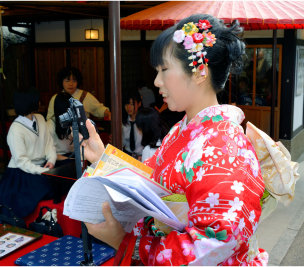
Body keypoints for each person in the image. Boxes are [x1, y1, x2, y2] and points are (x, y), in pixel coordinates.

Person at [80, 14, 268, 265]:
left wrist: (129, 244)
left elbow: (213, 244)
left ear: (200, 72)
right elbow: (148, 177)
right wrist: (104, 159)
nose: (157, 81)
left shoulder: (224, 148)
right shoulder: (182, 130)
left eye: (164, 70)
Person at [0, 89, 57, 219]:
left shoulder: (40, 118)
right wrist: (42, 171)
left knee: (59, 184)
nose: (40, 103)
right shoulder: (15, 129)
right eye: (38, 100)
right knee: (44, 188)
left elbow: (49, 143)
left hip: (42, 166)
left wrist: (51, 160)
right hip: (20, 171)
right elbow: (21, 161)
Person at [47, 67, 111, 121]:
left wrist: (107, 113)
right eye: (67, 81)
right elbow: (50, 119)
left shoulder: (85, 95)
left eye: (74, 81)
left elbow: (98, 109)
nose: (71, 84)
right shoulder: (55, 98)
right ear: (61, 82)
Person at [47, 92, 74, 161]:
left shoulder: (73, 121)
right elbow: (48, 155)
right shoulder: (49, 126)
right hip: (59, 159)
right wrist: (70, 159)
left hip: (72, 155)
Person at [121, 90, 143, 159]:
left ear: (139, 104)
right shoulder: (123, 122)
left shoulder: (144, 121)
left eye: (132, 104)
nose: (129, 107)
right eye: (127, 104)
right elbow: (122, 143)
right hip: (127, 156)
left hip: (142, 156)